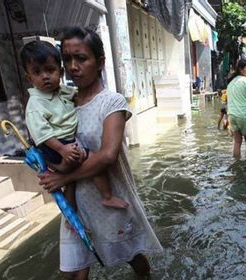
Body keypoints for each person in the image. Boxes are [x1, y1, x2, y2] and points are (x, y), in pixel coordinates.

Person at [38, 27, 162, 279]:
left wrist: (63, 179)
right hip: (75, 200)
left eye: (81, 58)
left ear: (100, 63)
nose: (73, 66)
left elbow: (108, 155)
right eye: (67, 59)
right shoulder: (64, 102)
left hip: (108, 198)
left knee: (132, 257)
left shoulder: (112, 102)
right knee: (72, 272)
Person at [21, 40, 129, 210]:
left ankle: (71, 209)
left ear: (60, 72)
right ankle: (107, 196)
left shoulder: (62, 92)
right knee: (92, 159)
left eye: (50, 70)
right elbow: (42, 134)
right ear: (29, 78)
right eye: (37, 72)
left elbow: (79, 95)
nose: (45, 76)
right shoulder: (35, 104)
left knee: (70, 180)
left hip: (63, 143)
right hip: (54, 145)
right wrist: (62, 150)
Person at [227, 58, 246, 158]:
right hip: (244, 115)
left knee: (237, 142)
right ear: (240, 69)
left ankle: (236, 164)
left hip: (232, 115)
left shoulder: (230, 83)